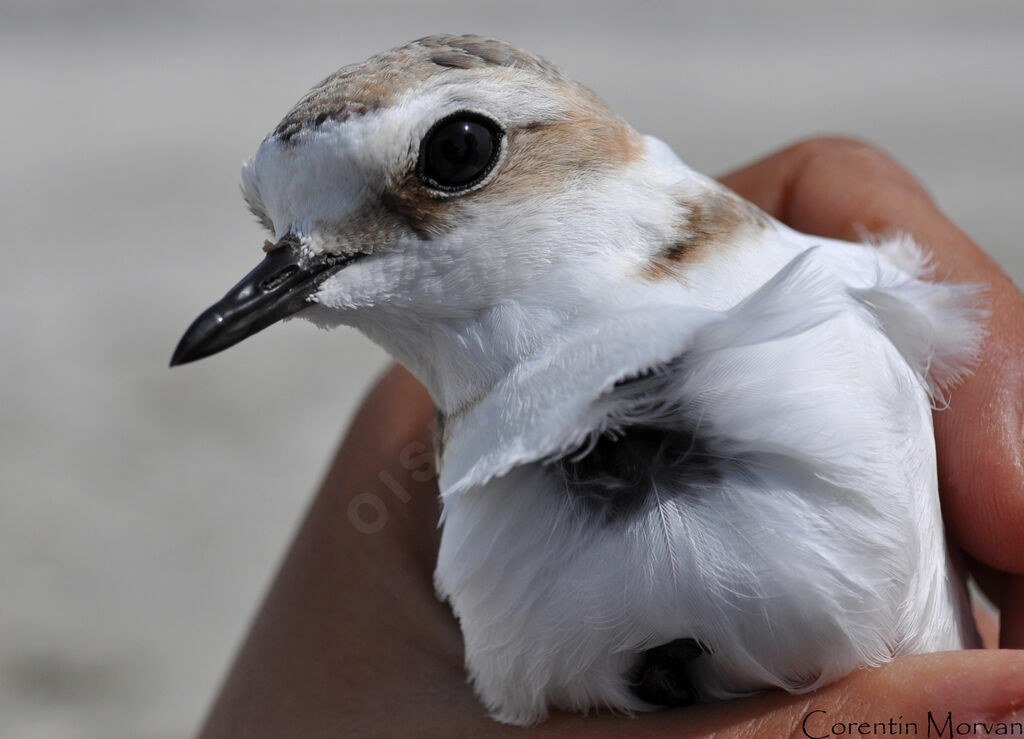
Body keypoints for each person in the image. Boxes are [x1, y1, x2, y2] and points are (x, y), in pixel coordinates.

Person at [199, 138, 1024, 737]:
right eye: (277, 219)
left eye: (452, 159)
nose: (306, 246)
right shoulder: (458, 491)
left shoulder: (840, 292)